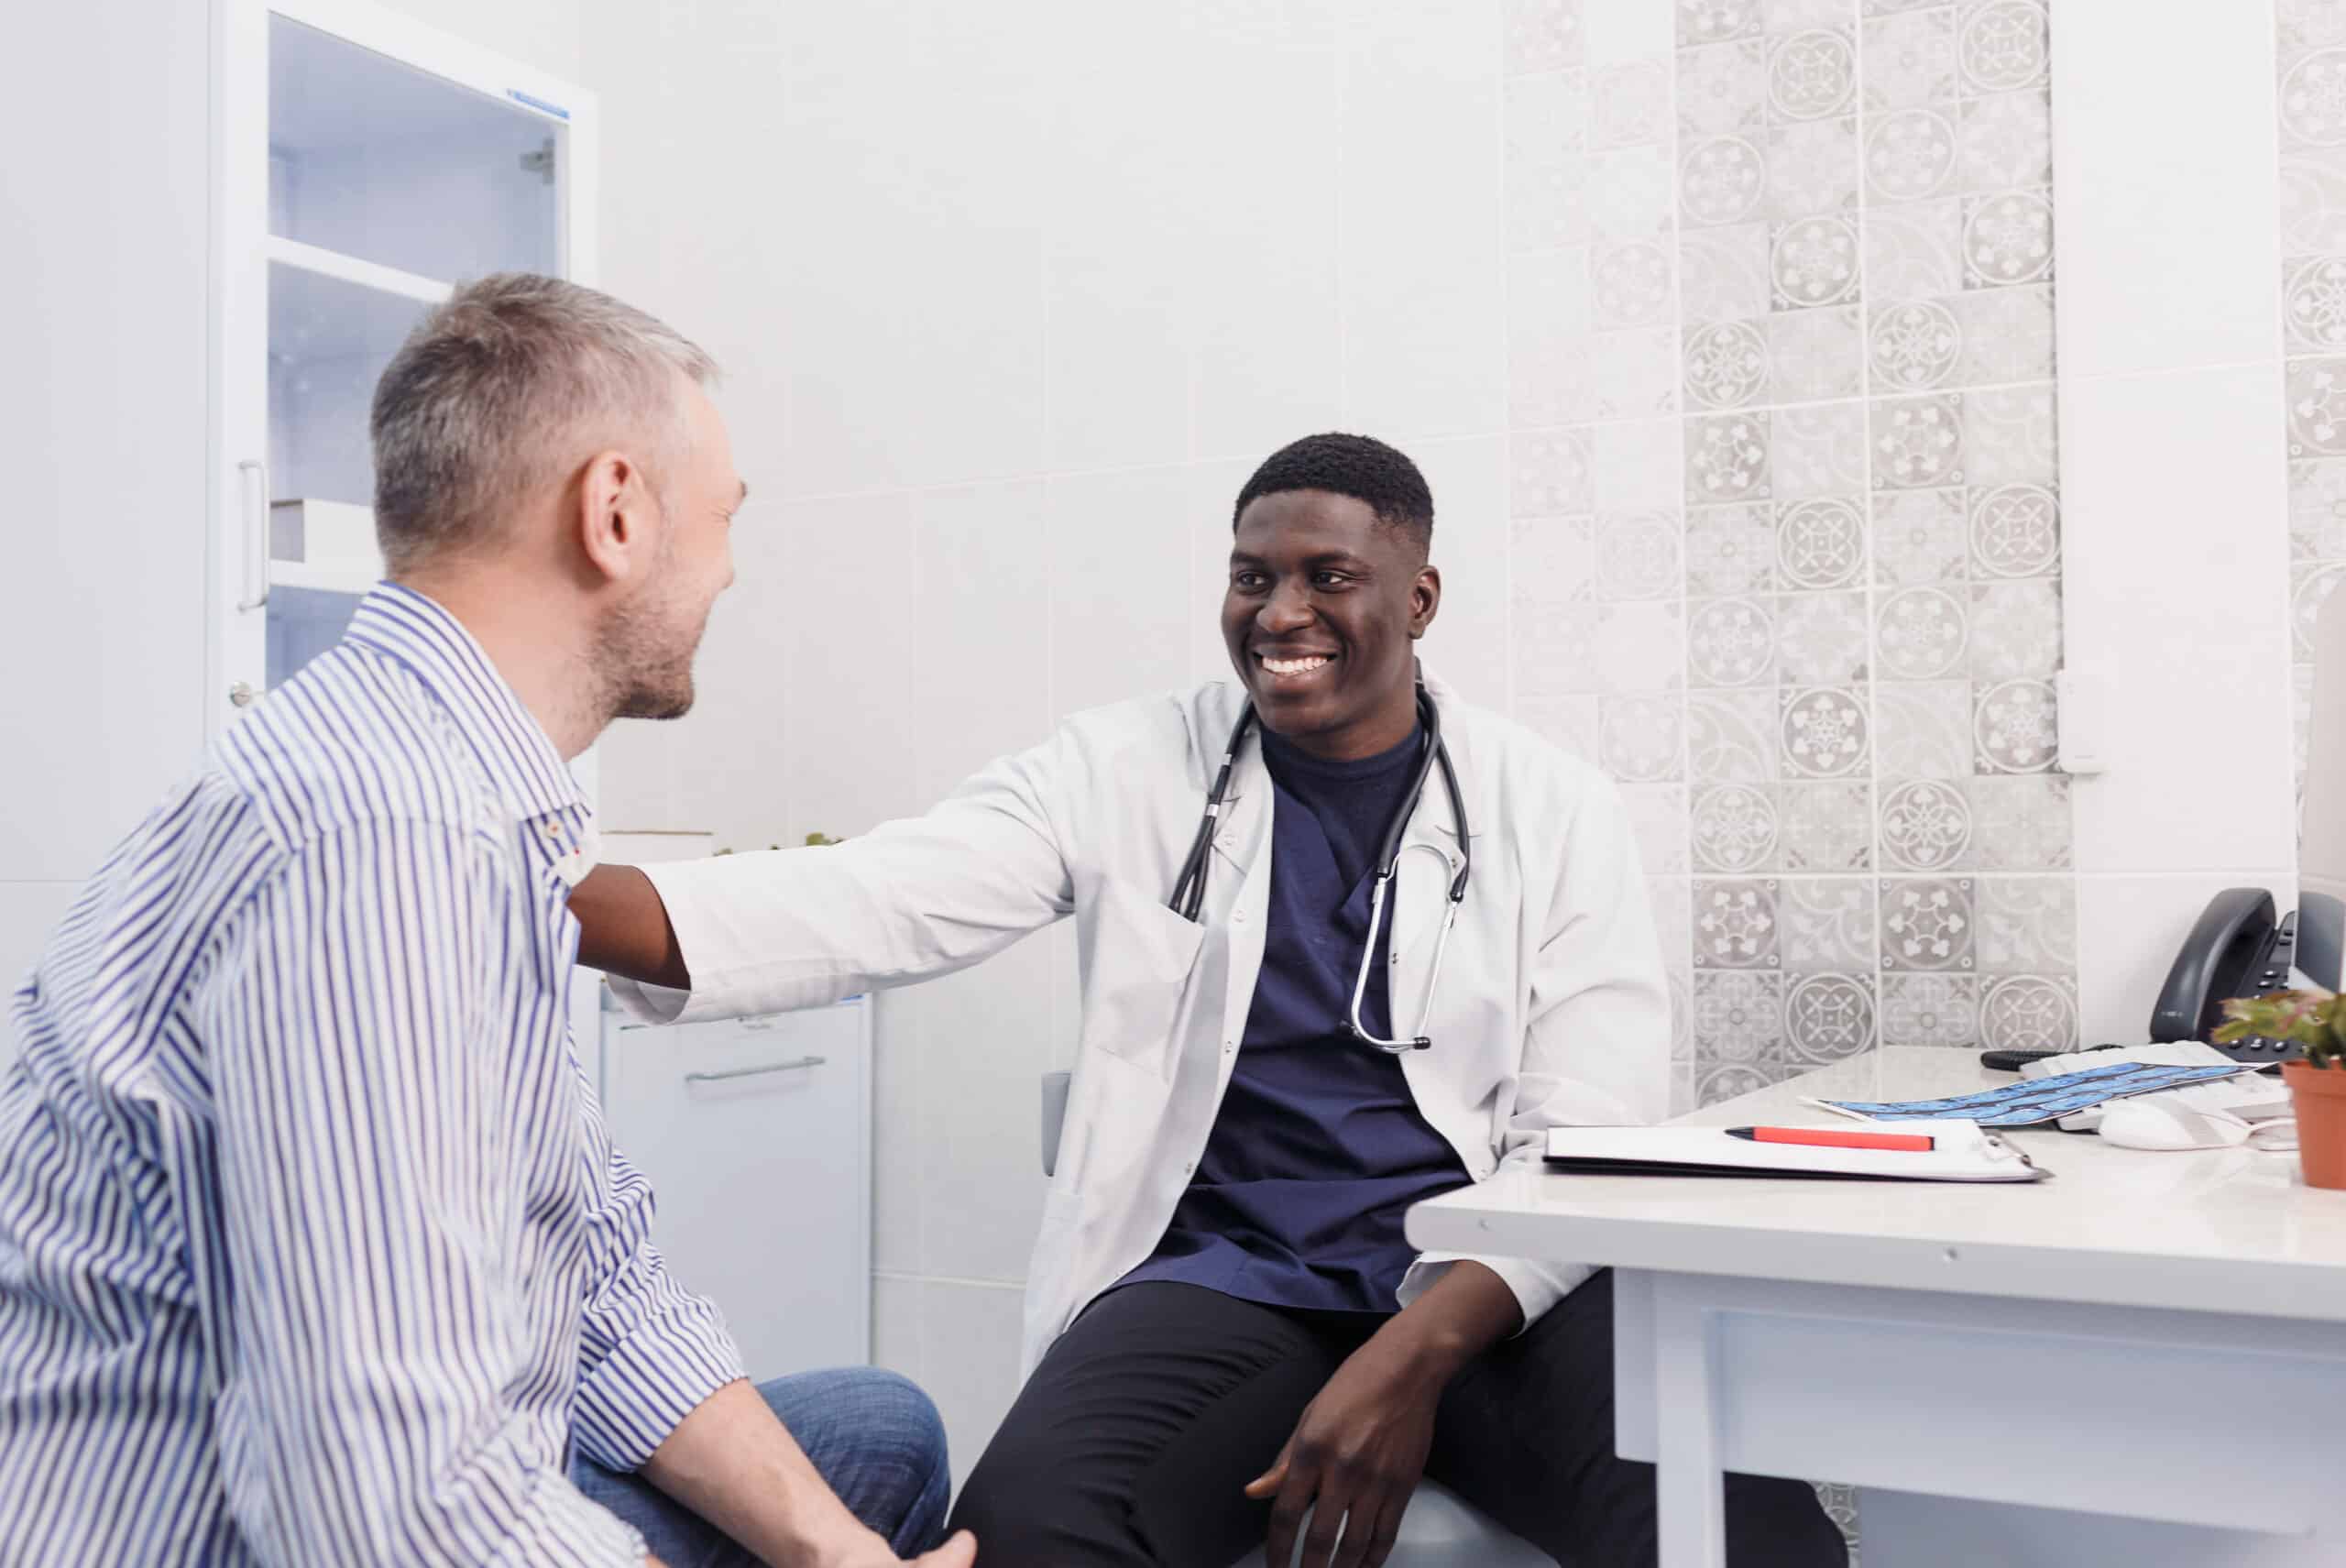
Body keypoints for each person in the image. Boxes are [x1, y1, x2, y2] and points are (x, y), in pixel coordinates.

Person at [572, 433, 1845, 1568]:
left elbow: (1586, 1134)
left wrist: (1410, 1355)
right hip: (1233, 1284)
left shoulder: (1551, 804)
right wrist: (543, 885)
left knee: (1745, 1526)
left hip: (1492, 1287)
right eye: (1253, 576)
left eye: (1328, 577)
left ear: (1420, 595)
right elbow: (877, 896)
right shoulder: (1124, 766)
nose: (1281, 612)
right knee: (1028, 1534)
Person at [0, 275, 974, 1568]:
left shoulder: (451, 790)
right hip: (222, 1532)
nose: (729, 569)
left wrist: (829, 1553)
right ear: (615, 511)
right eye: (724, 520)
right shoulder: (385, 836)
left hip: (382, 1476)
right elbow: (388, 1505)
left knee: (876, 1435)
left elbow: (593, 1268)